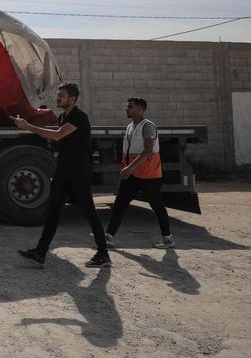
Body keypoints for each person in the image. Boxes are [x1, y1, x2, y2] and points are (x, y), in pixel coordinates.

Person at [11, 83, 112, 268]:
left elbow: (58, 135)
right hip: (63, 170)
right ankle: (40, 252)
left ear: (72, 99)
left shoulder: (80, 117)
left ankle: (103, 254)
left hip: (79, 171)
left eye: (61, 95)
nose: (58, 98)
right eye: (58, 95)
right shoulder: (62, 116)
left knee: (88, 210)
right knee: (53, 210)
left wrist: (28, 127)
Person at [103, 97, 174, 249]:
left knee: (157, 206)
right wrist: (128, 169)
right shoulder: (130, 126)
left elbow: (148, 151)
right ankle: (108, 236)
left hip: (149, 175)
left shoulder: (147, 126)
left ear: (141, 109)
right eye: (127, 106)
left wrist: (129, 168)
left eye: (130, 107)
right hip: (133, 175)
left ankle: (167, 238)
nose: (127, 109)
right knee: (120, 204)